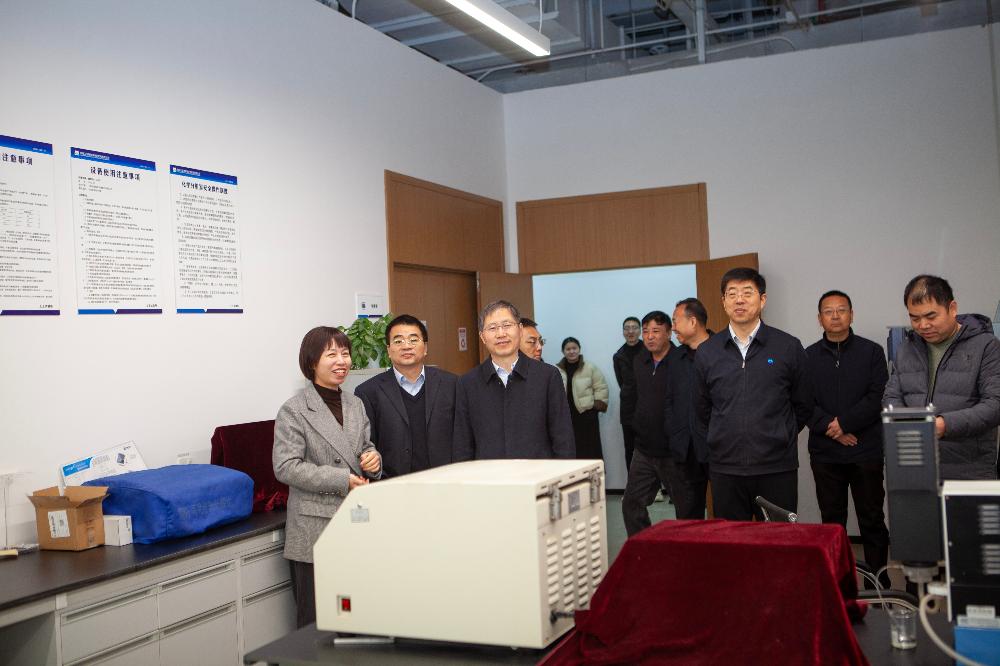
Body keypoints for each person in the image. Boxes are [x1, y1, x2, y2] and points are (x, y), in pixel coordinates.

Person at [273, 326, 382, 628]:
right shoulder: (294, 410)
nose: (341, 361)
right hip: (314, 529)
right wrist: (341, 479)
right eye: (331, 354)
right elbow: (286, 467)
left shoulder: (355, 403)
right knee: (316, 624)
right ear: (312, 362)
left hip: (354, 523)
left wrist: (373, 459)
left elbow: (365, 446)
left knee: (357, 618)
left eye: (345, 354)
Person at [694, 267, 812, 521]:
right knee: (732, 541)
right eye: (732, 294)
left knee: (779, 539)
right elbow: (702, 409)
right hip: (726, 468)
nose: (739, 300)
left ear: (763, 299)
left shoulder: (788, 347)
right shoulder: (707, 352)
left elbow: (804, 403)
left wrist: (781, 433)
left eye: (747, 293)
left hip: (776, 467)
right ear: (723, 301)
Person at [806, 290, 890, 581]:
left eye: (841, 310)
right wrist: (834, 430)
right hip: (826, 453)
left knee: (872, 519)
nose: (835, 316)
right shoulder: (807, 356)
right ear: (819, 319)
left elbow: (877, 396)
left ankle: (880, 583)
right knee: (832, 522)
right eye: (828, 311)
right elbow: (803, 401)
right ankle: (838, 582)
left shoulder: (872, 352)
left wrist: (844, 424)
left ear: (851, 315)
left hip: (865, 450)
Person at [884, 275, 1000, 480]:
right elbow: (892, 396)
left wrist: (944, 424)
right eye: (915, 318)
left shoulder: (986, 346)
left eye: (931, 316)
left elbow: (994, 405)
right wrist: (907, 422)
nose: (923, 325)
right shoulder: (907, 348)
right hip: (915, 464)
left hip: (968, 469)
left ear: (952, 308)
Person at [453, 300, 574, 460]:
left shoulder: (547, 376)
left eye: (507, 325)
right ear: (482, 337)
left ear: (520, 329)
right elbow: (462, 446)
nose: (501, 334)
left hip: (539, 473)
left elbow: (563, 439)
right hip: (488, 474)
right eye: (492, 328)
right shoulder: (467, 383)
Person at [354, 314, 457, 478]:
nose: (406, 346)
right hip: (393, 484)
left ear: (425, 347)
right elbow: (367, 446)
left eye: (413, 340)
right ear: (388, 350)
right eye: (398, 341)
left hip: (445, 480)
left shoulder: (452, 384)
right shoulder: (368, 392)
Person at [621, 310, 678, 536]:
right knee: (631, 504)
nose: (650, 336)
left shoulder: (681, 360)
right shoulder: (640, 361)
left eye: (656, 331)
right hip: (644, 448)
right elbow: (632, 396)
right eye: (646, 332)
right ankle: (642, 546)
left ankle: (689, 551)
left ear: (669, 333)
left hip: (674, 450)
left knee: (686, 508)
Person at [663, 298, 713, 520]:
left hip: (717, 447)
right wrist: (673, 432)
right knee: (687, 517)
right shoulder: (675, 357)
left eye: (675, 321)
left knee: (727, 514)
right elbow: (669, 400)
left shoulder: (722, 351)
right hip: (684, 449)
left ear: (693, 322)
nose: (673, 328)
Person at [556, 337, 609, 459]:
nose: (571, 351)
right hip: (567, 418)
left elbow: (601, 387)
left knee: (590, 449)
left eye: (574, 348)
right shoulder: (557, 370)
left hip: (587, 416)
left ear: (579, 349)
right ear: (563, 351)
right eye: (568, 349)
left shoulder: (590, 367)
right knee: (571, 449)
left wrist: (595, 405)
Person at [613, 316, 643, 471]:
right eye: (627, 328)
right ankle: (633, 483)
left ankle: (655, 484)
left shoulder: (649, 351)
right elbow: (622, 383)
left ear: (640, 331)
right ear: (623, 332)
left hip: (648, 407)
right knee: (630, 448)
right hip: (628, 409)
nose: (630, 331)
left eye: (634, 327)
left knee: (651, 447)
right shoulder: (618, 356)